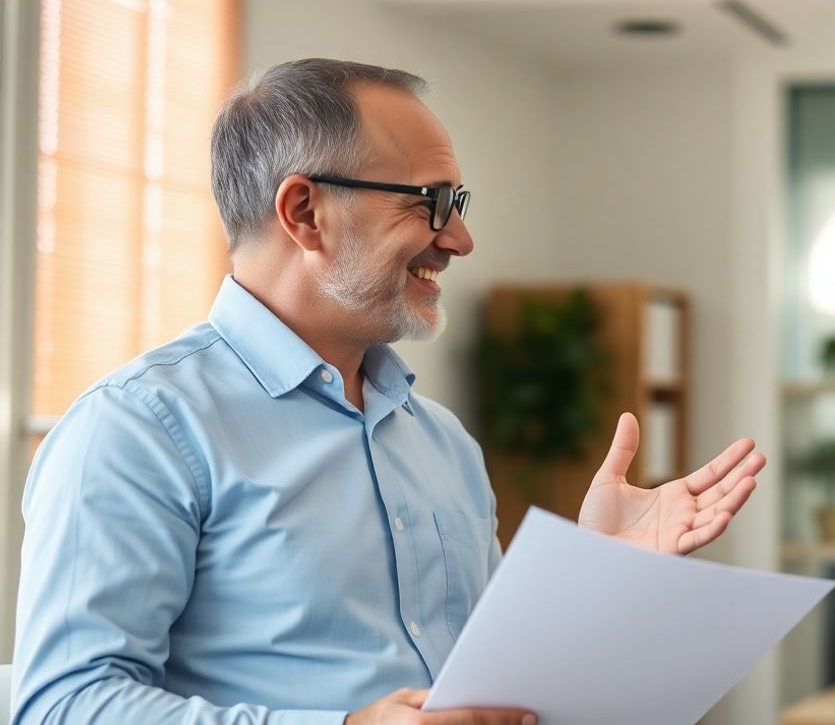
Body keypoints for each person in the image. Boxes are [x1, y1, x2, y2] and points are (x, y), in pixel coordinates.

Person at [12, 58, 766, 725]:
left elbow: (492, 689)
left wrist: (594, 577)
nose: (460, 240)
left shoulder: (441, 440)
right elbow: (64, 704)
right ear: (304, 211)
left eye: (459, 206)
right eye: (430, 202)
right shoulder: (136, 430)